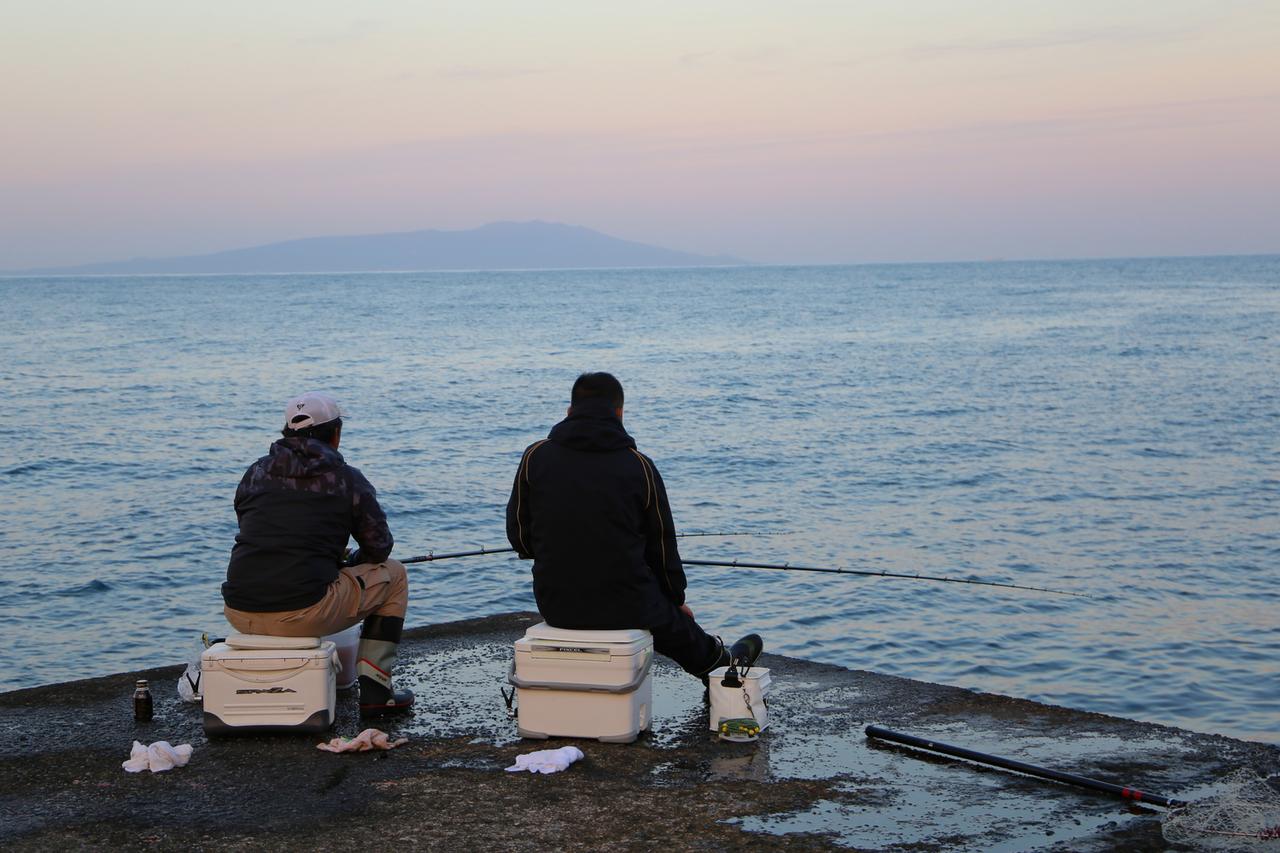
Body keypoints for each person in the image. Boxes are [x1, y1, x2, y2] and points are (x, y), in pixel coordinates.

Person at [506, 372, 761, 684]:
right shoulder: (639, 466)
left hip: (556, 603)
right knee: (673, 625)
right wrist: (675, 600)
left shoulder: (535, 457)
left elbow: (519, 536)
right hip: (627, 603)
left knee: (649, 606)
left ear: (569, 411)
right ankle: (721, 666)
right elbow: (662, 548)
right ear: (619, 413)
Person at [222, 392, 414, 716]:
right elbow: (379, 547)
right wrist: (349, 559)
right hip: (302, 613)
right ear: (335, 435)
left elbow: (260, 531)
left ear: (286, 433)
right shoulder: (346, 479)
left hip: (239, 610)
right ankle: (377, 693)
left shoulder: (254, 474)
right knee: (394, 575)